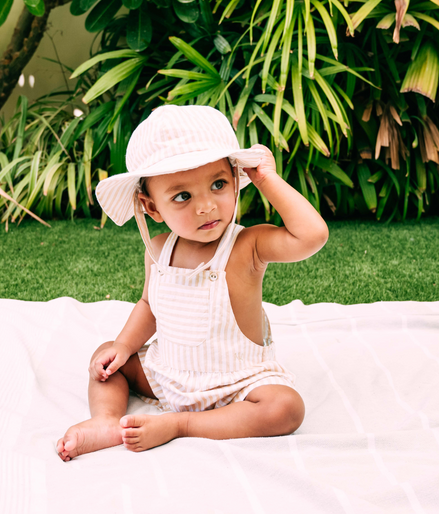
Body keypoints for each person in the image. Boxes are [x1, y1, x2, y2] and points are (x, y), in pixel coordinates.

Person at [56, 105, 328, 459]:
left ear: (235, 180)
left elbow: (312, 235)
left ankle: (179, 425)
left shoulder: (248, 245)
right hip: (167, 376)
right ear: (151, 207)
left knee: (285, 407)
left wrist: (265, 180)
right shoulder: (158, 249)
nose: (206, 206)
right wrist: (123, 346)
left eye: (218, 185)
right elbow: (149, 306)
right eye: (182, 196)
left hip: (237, 384)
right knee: (105, 359)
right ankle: (107, 420)